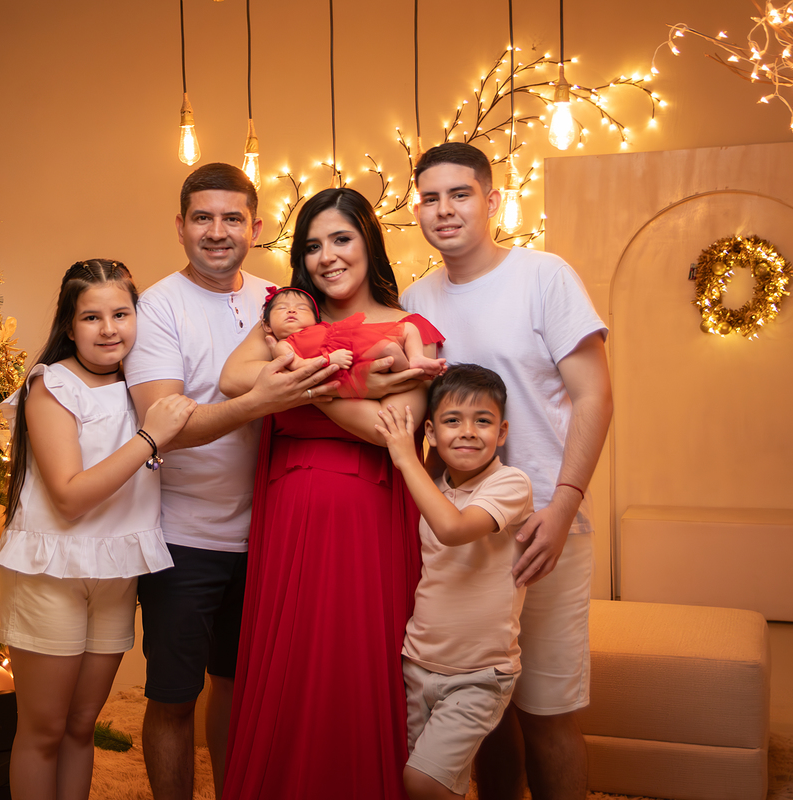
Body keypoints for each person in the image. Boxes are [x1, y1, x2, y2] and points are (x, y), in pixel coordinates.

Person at [123, 163, 342, 800]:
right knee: (173, 696)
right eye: (202, 218)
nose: (216, 232)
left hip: (271, 533)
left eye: (231, 218)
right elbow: (162, 427)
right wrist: (257, 402)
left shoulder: (281, 300)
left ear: (257, 226)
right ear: (180, 226)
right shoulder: (157, 308)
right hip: (182, 537)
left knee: (241, 688)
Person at [401, 142, 613, 800]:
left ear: (491, 201)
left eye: (460, 194)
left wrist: (564, 503)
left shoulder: (543, 276)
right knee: (480, 713)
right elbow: (419, 416)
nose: (444, 210)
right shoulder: (415, 299)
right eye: (430, 198)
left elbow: (595, 395)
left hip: (542, 525)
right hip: (458, 535)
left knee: (549, 712)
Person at [218, 186, 441, 799]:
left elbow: (388, 429)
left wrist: (300, 384)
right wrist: (350, 380)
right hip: (290, 507)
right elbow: (233, 378)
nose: (327, 257)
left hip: (368, 514)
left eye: (341, 239)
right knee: (288, 665)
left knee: (357, 662)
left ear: (369, 241)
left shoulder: (409, 328)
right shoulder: (291, 319)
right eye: (313, 246)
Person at [0, 259, 197, 800]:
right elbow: (69, 497)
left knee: (82, 726)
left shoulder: (142, 386)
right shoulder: (51, 385)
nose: (109, 329)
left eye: (121, 314)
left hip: (114, 570)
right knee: (44, 730)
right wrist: (150, 438)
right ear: (69, 324)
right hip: (53, 569)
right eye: (92, 317)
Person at [375, 365, 533, 800]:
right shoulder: (434, 488)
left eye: (482, 421)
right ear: (431, 431)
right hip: (417, 663)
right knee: (435, 783)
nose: (467, 432)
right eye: (452, 420)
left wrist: (406, 456)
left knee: (423, 781)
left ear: (501, 432)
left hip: (479, 675)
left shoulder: (510, 483)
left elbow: (454, 529)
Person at [262, 285, 447, 396]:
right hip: (350, 356)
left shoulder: (323, 327)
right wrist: (329, 360)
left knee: (408, 328)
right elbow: (299, 366)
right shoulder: (284, 344)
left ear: (315, 319)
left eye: (302, 308)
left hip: (354, 337)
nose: (292, 310)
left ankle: (416, 357)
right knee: (389, 349)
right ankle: (411, 372)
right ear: (267, 325)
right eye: (282, 308)